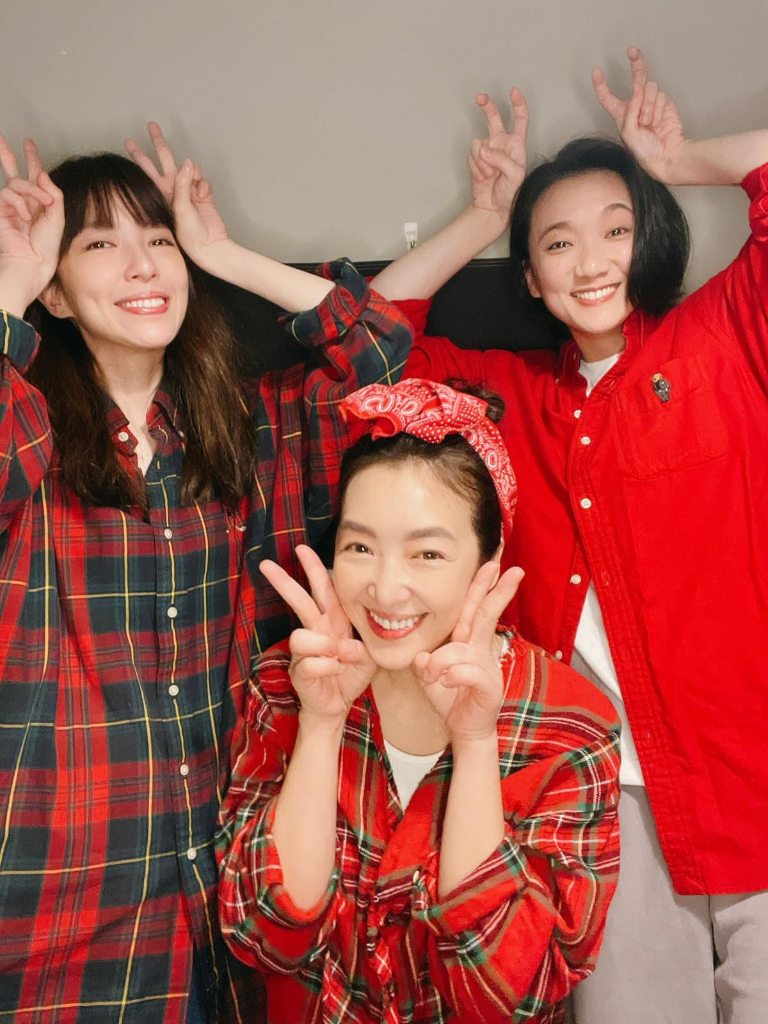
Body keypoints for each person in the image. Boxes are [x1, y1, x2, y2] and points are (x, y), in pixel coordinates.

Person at [370, 46, 768, 1023]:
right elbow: (366, 344)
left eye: (617, 230)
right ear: (533, 274)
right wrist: (481, 216)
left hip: (749, 776)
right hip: (597, 803)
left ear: (651, 239)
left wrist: (677, 163)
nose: (591, 263)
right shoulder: (508, 397)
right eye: (558, 243)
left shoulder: (722, 337)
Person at [0, 125, 411, 1024]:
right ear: (57, 292)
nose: (142, 265)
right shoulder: (28, 433)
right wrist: (11, 288)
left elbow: (380, 353)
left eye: (159, 240)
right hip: (53, 911)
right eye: (99, 246)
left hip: (212, 914)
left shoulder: (244, 432)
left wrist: (221, 253)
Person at [217, 378, 620, 1024]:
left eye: (427, 553)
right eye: (360, 547)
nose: (385, 588)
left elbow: (501, 998)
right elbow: (267, 938)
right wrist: (321, 723)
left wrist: (476, 741)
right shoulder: (289, 683)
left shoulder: (572, 726)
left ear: (489, 559)